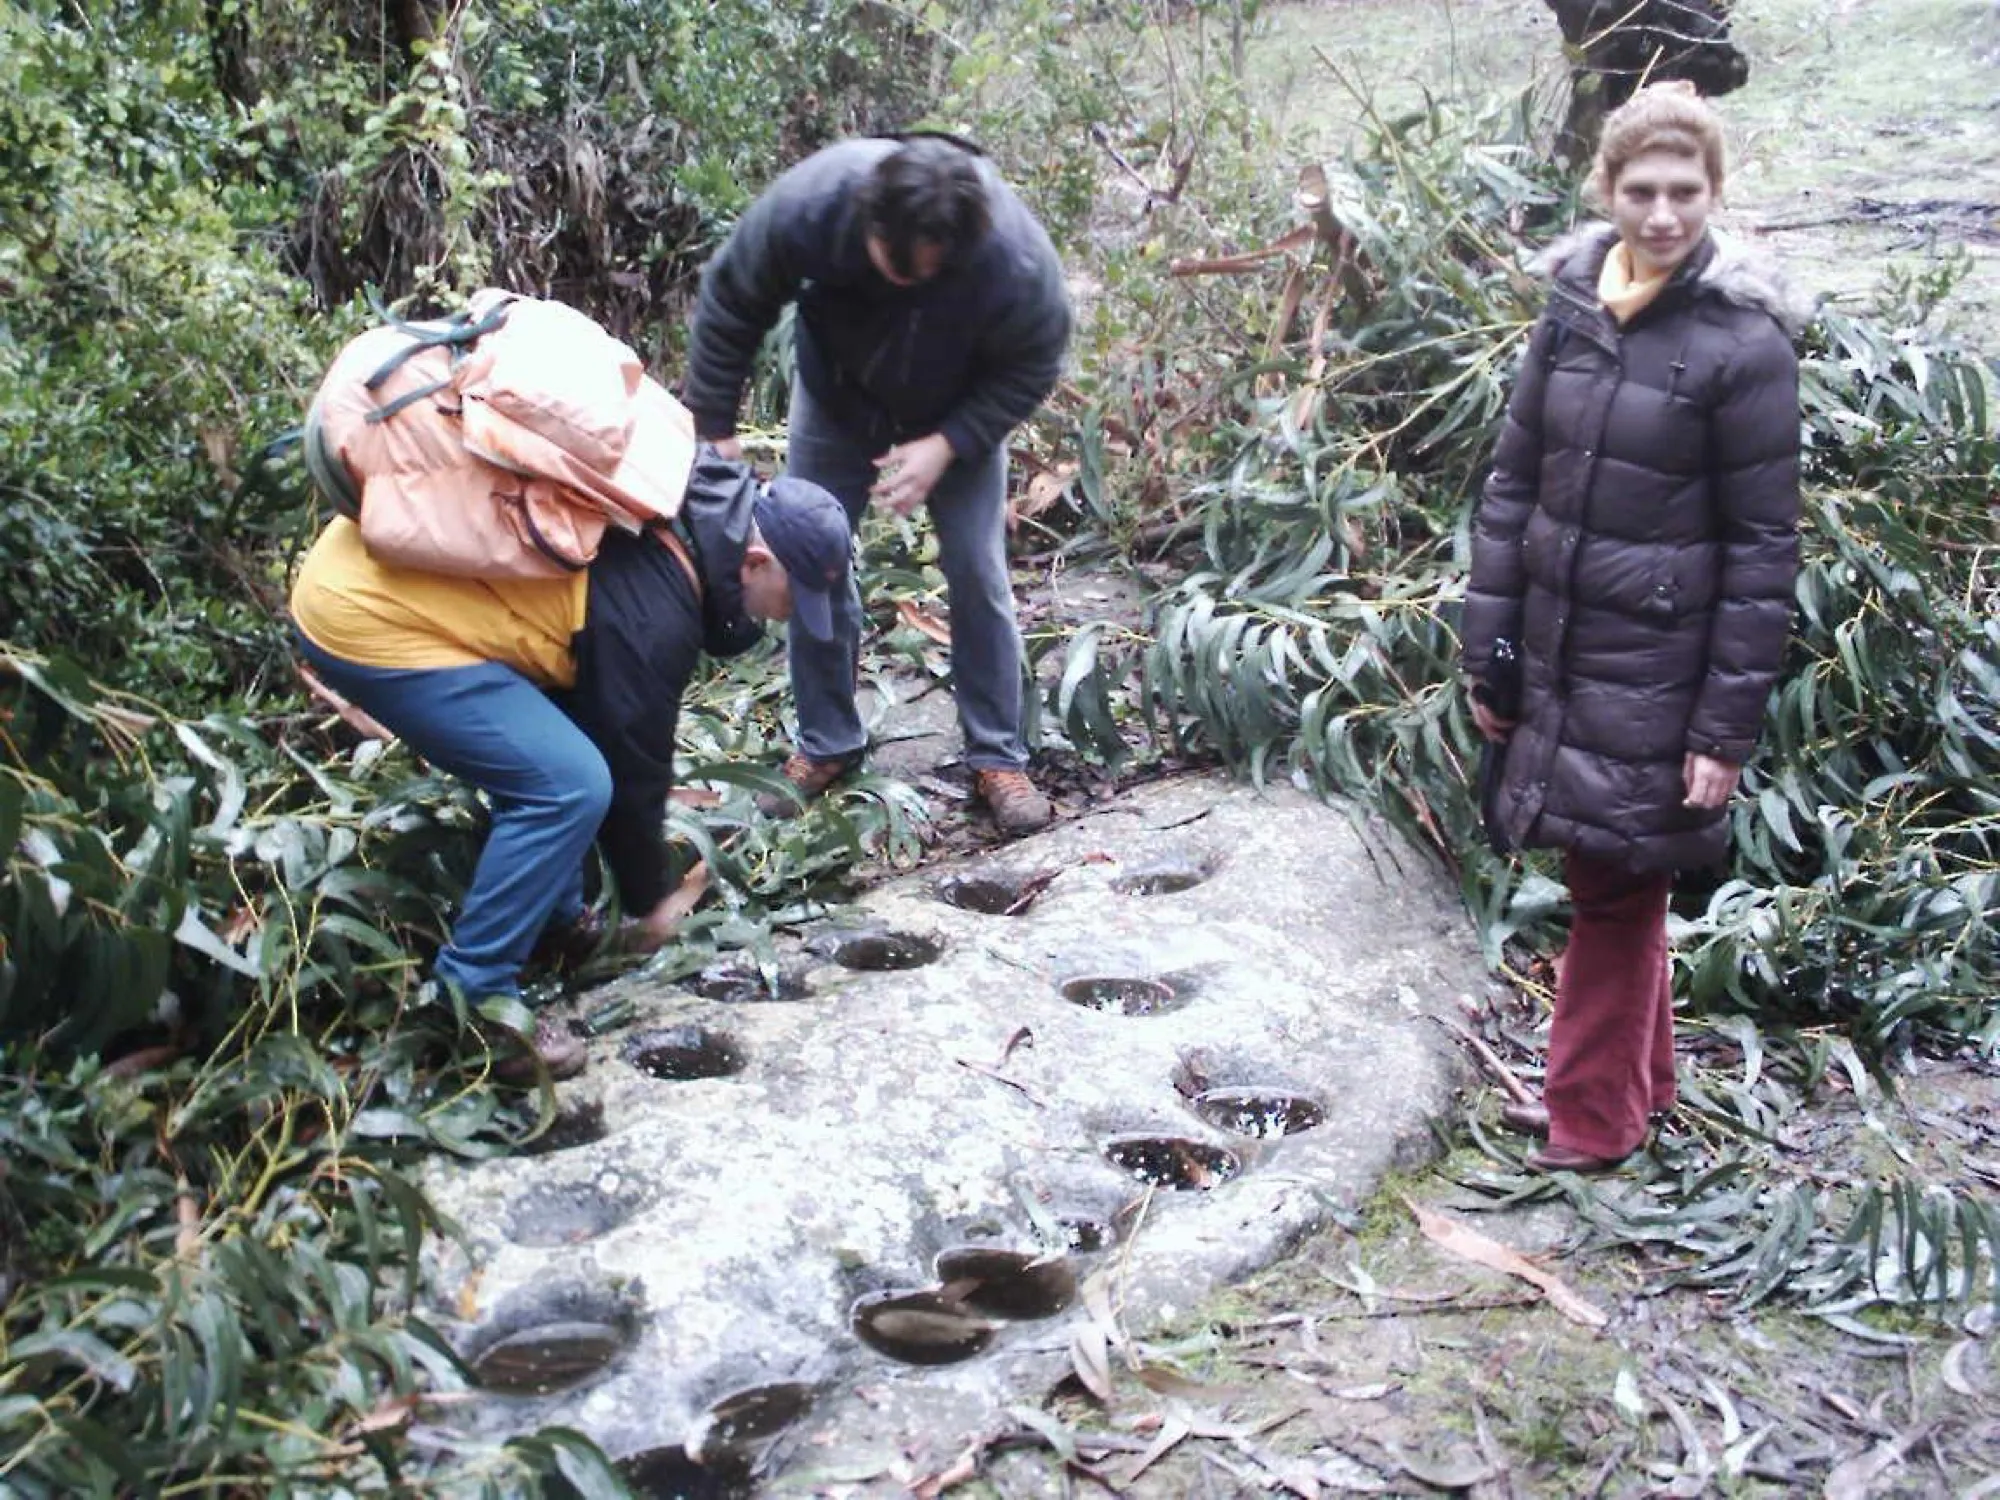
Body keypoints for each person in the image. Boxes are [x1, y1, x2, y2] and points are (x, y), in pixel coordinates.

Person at [1460, 82, 1809, 1172]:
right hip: (1559, 651)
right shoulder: (1571, 308)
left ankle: (1590, 1119)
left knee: (1615, 887)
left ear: (1714, 193)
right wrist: (1493, 656)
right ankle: (1634, 1091)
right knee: (1614, 878)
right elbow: (1511, 489)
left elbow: (1762, 555)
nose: (1662, 214)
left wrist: (1721, 729)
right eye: (1641, 190)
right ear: (1605, 189)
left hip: (1660, 669)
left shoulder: (1744, 345)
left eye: (1684, 192)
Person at [290, 451, 852, 1080]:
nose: (793, 615)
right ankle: (475, 1002)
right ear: (755, 561)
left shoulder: (681, 506)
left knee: (554, 755)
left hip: (371, 566)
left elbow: (596, 719)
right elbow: (634, 770)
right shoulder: (655, 612)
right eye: (796, 596)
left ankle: (553, 922)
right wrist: (650, 902)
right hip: (368, 613)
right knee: (567, 786)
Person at [682, 134, 1072, 836]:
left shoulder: (1013, 261)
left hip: (957, 412)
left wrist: (951, 442)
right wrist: (714, 426)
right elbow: (732, 295)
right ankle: (827, 741)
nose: (909, 284)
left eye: (930, 274)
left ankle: (997, 756)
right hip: (837, 400)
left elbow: (1036, 362)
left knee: (977, 570)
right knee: (810, 559)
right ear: (869, 221)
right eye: (897, 268)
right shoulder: (813, 205)